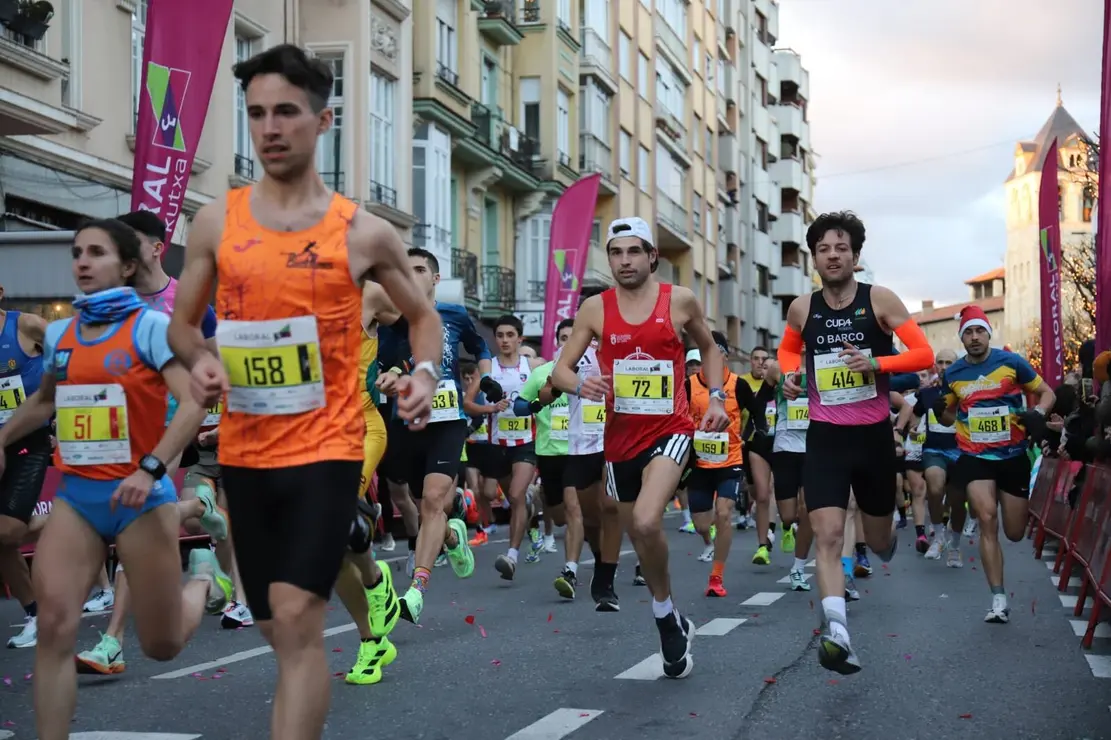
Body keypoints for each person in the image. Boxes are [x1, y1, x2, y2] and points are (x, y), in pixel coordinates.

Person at [166, 44, 441, 739]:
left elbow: (423, 316)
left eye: (286, 111)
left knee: (298, 617)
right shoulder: (215, 222)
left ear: (324, 120)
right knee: (276, 627)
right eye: (256, 113)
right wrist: (199, 360)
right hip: (246, 451)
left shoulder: (361, 231)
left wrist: (425, 374)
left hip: (328, 445)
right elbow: (182, 327)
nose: (269, 128)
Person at [0, 220, 222, 740]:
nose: (81, 261)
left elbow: (193, 402)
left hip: (140, 497)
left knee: (162, 645)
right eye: (77, 252)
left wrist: (150, 469)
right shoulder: (59, 333)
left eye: (96, 253)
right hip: (78, 498)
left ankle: (205, 576)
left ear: (126, 266)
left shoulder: (150, 328)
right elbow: (46, 401)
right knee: (56, 629)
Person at [551, 216, 727, 679]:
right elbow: (560, 372)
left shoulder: (679, 301)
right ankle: (669, 614)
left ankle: (662, 615)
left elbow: (710, 349)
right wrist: (581, 384)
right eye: (616, 252)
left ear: (652, 256)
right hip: (619, 440)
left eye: (634, 251)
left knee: (649, 518)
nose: (624, 261)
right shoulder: (595, 309)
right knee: (640, 534)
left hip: (671, 429)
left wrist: (719, 396)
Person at [74, 210, 233, 675]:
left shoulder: (187, 300)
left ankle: (112, 641)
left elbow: (218, 359)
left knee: (132, 526)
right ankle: (198, 515)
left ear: (155, 248)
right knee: (134, 525)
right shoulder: (106, 302)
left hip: (178, 428)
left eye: (129, 243)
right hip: (119, 434)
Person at [777, 211, 934, 674]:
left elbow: (922, 354)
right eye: (823, 249)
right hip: (825, 436)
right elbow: (789, 350)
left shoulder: (879, 300)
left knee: (880, 536)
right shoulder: (802, 308)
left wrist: (877, 366)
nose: (832, 255)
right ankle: (838, 633)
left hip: (872, 439)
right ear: (814, 258)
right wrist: (790, 375)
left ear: (856, 256)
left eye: (841, 248)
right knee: (826, 533)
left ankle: (883, 542)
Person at [375, 247, 487, 623]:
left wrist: (479, 385)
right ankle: (453, 539)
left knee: (434, 502)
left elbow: (479, 348)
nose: (412, 274)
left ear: (435, 278)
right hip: (406, 422)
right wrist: (389, 379)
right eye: (404, 269)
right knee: (424, 503)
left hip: (448, 419)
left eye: (419, 269)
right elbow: (386, 364)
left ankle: (416, 590)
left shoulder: (453, 314)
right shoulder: (391, 319)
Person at [933, 305, 1054, 623]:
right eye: (968, 333)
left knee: (1014, 532)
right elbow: (948, 416)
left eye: (979, 331)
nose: (974, 338)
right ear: (962, 338)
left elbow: (1047, 393)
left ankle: (1000, 590)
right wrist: (938, 409)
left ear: (988, 333)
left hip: (1012, 456)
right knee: (987, 519)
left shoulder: (1011, 363)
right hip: (974, 456)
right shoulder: (954, 374)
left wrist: (1037, 414)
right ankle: (998, 599)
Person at [685, 331, 766, 597]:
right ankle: (709, 541)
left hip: (730, 459)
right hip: (699, 462)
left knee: (724, 514)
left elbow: (757, 415)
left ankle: (716, 577)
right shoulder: (690, 385)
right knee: (701, 524)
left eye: (715, 351)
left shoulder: (737, 385)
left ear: (724, 355)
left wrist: (745, 438)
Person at [0, 284, 50, 650]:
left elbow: (73, 364)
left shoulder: (28, 326)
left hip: (27, 441)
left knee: (6, 534)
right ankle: (35, 615)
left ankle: (75, 516)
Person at [486, 315, 545, 580]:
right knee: (511, 498)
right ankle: (530, 510)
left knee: (516, 493)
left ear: (520, 338)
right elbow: (468, 404)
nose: (505, 340)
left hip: (527, 442)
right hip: (498, 443)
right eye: (500, 335)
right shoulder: (488, 367)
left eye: (510, 335)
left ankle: (511, 556)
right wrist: (490, 408)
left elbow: (551, 388)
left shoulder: (531, 365)